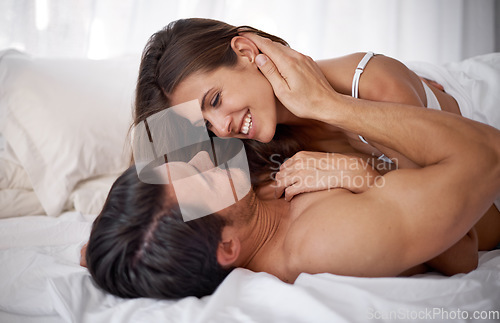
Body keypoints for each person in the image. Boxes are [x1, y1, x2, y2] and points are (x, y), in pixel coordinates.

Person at [83, 41, 500, 299]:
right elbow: (486, 161)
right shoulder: (325, 241)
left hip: (448, 91)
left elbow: (161, 141)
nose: (202, 154)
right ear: (226, 250)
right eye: (200, 178)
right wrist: (358, 172)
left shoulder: (232, 195)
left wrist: (107, 252)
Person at [134, 18, 500, 250]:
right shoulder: (264, 148)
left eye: (215, 100)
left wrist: (328, 108)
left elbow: (479, 236)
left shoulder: (377, 86)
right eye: (206, 126)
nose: (223, 127)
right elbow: (155, 169)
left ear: (246, 50)